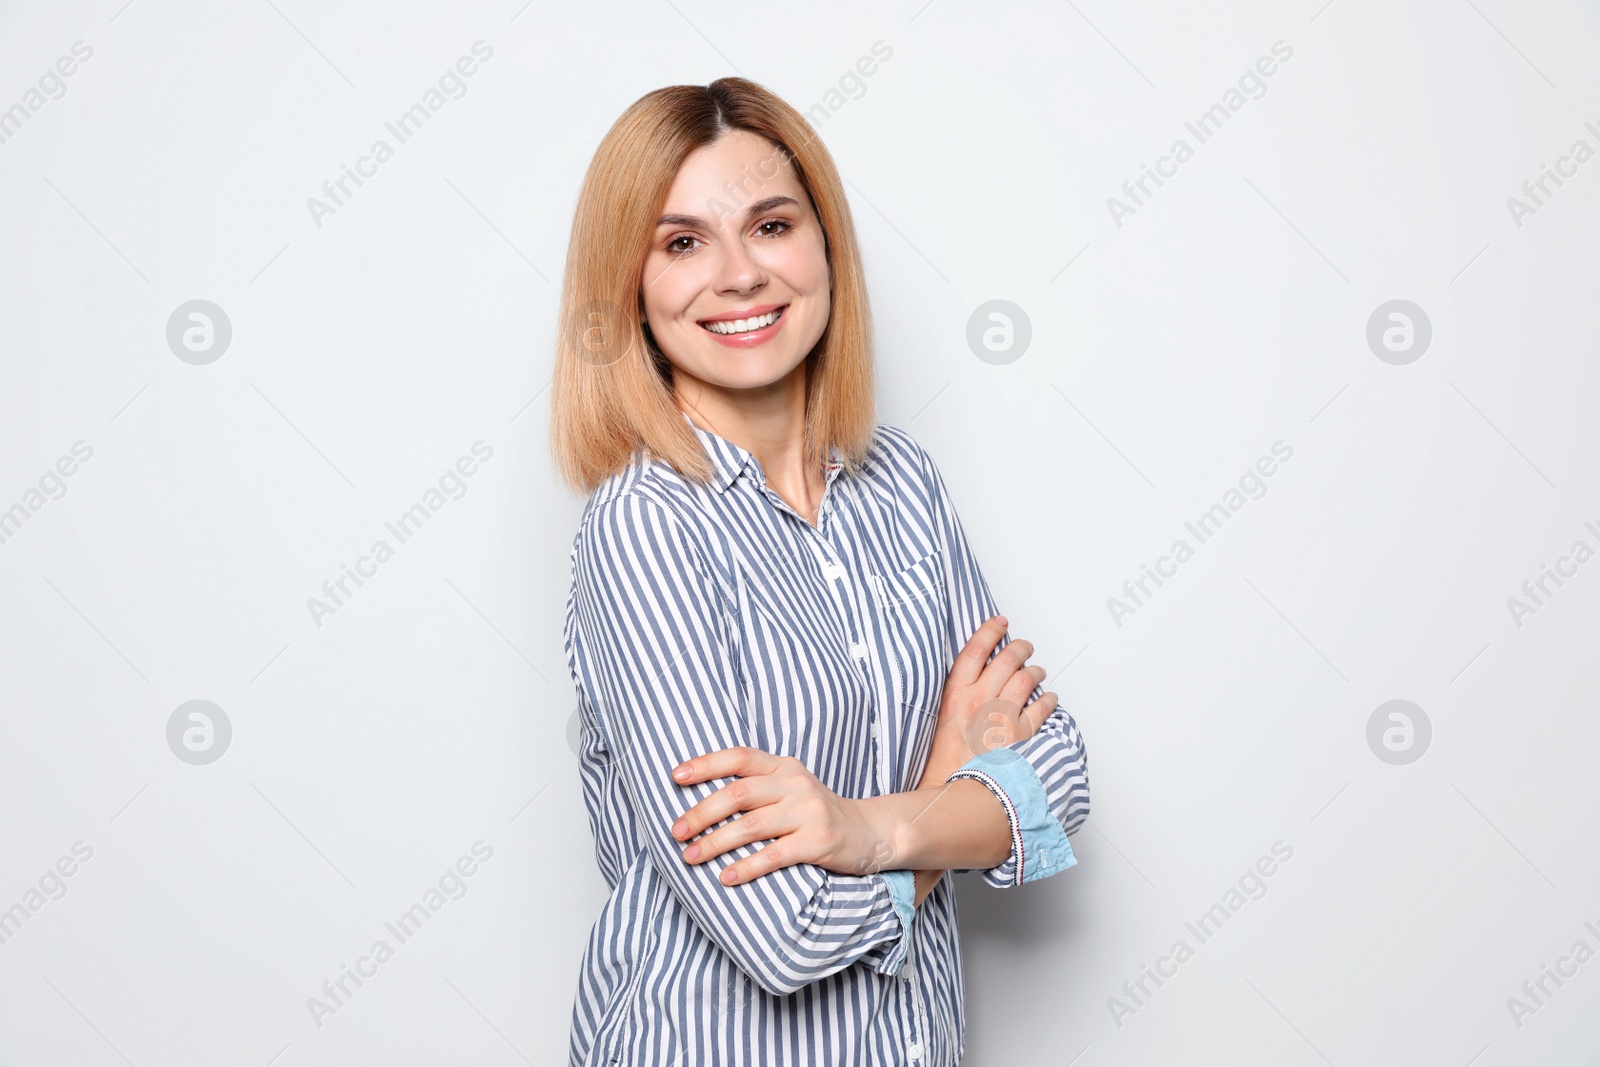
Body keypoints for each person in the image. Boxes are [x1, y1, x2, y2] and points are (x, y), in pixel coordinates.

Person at [549, 75, 1090, 1067]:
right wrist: (942, 796)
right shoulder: (645, 528)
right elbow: (779, 931)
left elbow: (1054, 787)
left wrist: (866, 826)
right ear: (627, 286)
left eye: (770, 224)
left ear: (824, 246)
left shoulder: (903, 487)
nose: (738, 272)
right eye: (680, 242)